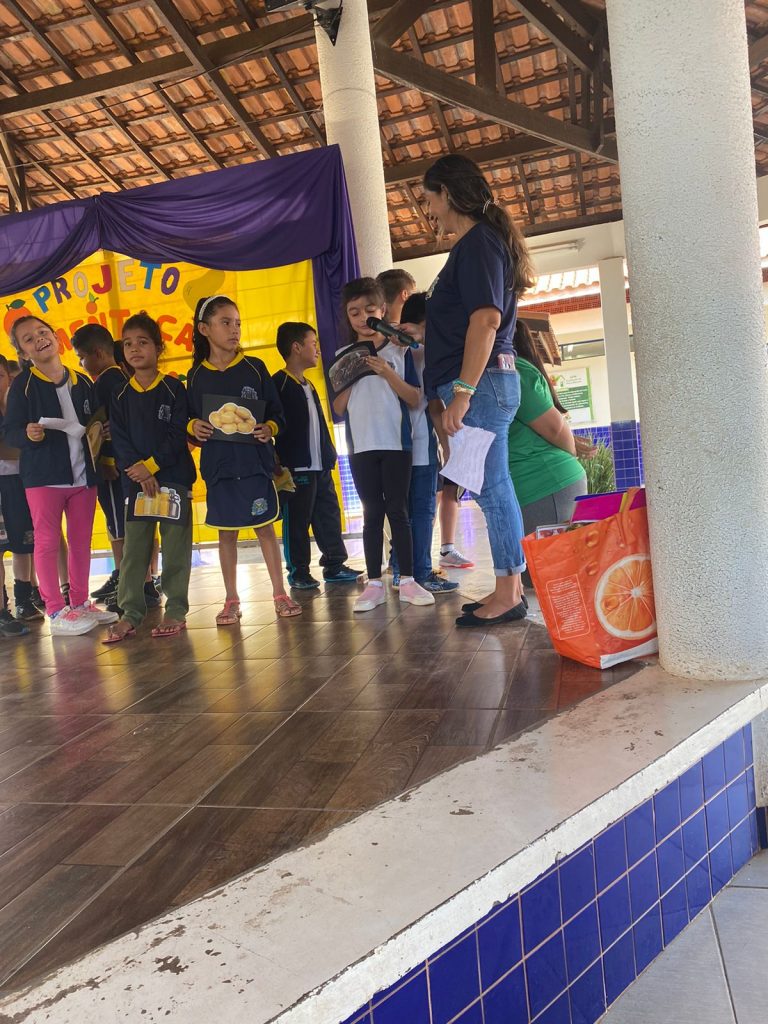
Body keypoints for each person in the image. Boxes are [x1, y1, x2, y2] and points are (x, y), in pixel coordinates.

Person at [413, 154, 535, 628]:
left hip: (481, 386)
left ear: (448, 193)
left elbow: (486, 320)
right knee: (491, 486)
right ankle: (509, 588)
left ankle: (510, 592)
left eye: (430, 200)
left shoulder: (479, 243)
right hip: (479, 384)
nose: (429, 211)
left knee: (493, 488)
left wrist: (461, 392)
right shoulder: (476, 244)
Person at [187, 295, 302, 621]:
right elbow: (190, 419)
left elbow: (277, 413)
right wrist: (192, 426)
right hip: (220, 468)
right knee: (226, 533)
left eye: (237, 322)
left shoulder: (254, 367)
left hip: (254, 465)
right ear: (204, 329)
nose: (234, 329)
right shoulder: (196, 376)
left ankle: (280, 593)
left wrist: (270, 428)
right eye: (226, 322)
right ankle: (231, 600)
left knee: (265, 529)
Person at [3, 316, 117, 635]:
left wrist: (102, 430)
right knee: (47, 541)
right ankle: (54, 609)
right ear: (23, 353)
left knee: (81, 541)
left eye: (43, 332)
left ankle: (80, 603)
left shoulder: (81, 381)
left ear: (56, 337)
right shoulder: (22, 387)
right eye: (28, 339)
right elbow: (10, 432)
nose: (38, 339)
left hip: (84, 477)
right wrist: (28, 433)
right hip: (43, 480)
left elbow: (95, 422)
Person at [332, 278, 434, 612]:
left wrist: (387, 372)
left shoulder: (399, 350)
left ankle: (407, 580)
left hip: (396, 442)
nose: (362, 318)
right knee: (372, 513)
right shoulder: (341, 356)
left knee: (398, 511)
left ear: (383, 311)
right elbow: (338, 408)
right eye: (354, 312)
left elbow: (415, 398)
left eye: (369, 310)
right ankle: (374, 582)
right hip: (360, 445)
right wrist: (355, 372)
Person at [104, 313, 196, 642]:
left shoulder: (174, 388)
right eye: (128, 344)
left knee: (175, 547)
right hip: (136, 484)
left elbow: (177, 434)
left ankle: (176, 609)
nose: (135, 349)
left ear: (159, 348)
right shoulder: (118, 394)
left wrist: (152, 467)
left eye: (143, 342)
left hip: (173, 480)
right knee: (135, 551)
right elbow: (119, 437)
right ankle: (131, 613)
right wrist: (139, 472)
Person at [272, 322, 359, 589]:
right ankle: (298, 571)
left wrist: (328, 454)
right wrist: (277, 464)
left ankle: (334, 564)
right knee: (297, 522)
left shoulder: (308, 384)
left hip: (320, 466)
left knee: (328, 515)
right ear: (296, 348)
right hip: (296, 469)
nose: (318, 350)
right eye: (313, 344)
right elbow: (273, 424)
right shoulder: (279, 383)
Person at [390, 292, 457, 594]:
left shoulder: (393, 351)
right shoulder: (425, 353)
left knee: (403, 514)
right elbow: (433, 405)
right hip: (419, 446)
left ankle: (398, 570)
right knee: (422, 512)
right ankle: (420, 573)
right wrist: (445, 444)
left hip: (394, 448)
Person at [508, 320, 587, 538]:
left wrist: (571, 448)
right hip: (532, 487)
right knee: (531, 570)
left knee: (549, 569)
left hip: (544, 484)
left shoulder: (516, 372)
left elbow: (555, 430)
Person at [0, 355, 35, 636]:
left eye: (0, 375)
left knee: (24, 542)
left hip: (21, 481)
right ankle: (3, 610)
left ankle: (25, 599)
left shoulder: (18, 408)